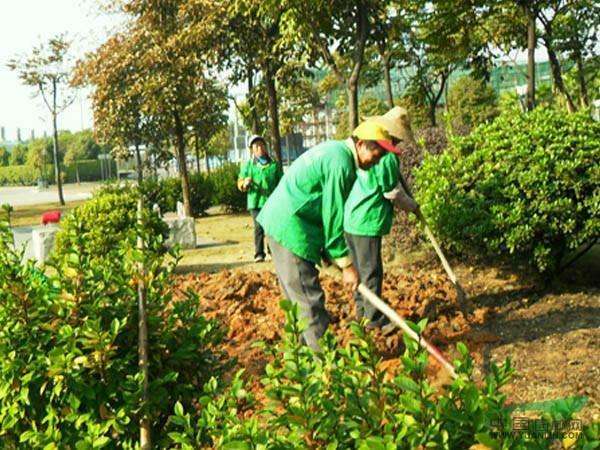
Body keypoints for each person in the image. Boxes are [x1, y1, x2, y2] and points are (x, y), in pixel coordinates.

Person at [257, 121, 401, 350]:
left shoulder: (336, 151)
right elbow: (333, 217)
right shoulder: (342, 163)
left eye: (383, 154)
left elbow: (321, 207)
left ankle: (302, 363)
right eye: (377, 151)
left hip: (282, 223)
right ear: (361, 144)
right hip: (292, 227)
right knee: (308, 302)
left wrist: (327, 252)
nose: (379, 159)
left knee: (295, 303)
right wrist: (346, 264)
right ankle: (327, 371)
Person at [343, 107, 419, 332]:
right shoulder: (387, 157)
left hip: (351, 219)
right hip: (367, 222)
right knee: (371, 272)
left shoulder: (370, 149)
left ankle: (361, 314)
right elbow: (392, 192)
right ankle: (374, 320)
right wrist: (413, 206)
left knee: (359, 271)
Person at [237, 135, 283, 262]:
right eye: (256, 146)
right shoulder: (249, 166)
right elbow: (240, 182)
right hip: (255, 202)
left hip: (271, 202)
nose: (259, 148)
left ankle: (273, 251)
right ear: (252, 150)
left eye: (261, 145)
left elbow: (282, 182)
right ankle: (259, 253)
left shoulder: (274, 165)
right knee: (259, 227)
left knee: (271, 228)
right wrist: (245, 184)